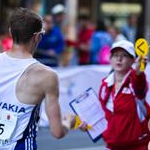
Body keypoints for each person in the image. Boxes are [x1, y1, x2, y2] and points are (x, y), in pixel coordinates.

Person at [0, 7, 75, 150]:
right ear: (37, 37)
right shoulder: (46, 75)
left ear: (10, 32)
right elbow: (57, 131)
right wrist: (68, 122)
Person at [80, 40, 150, 150]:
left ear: (132, 60)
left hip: (138, 146)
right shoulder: (105, 84)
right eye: (115, 55)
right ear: (110, 59)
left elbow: (140, 89)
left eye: (124, 55)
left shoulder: (136, 81)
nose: (119, 59)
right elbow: (103, 115)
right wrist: (88, 125)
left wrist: (138, 73)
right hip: (112, 146)